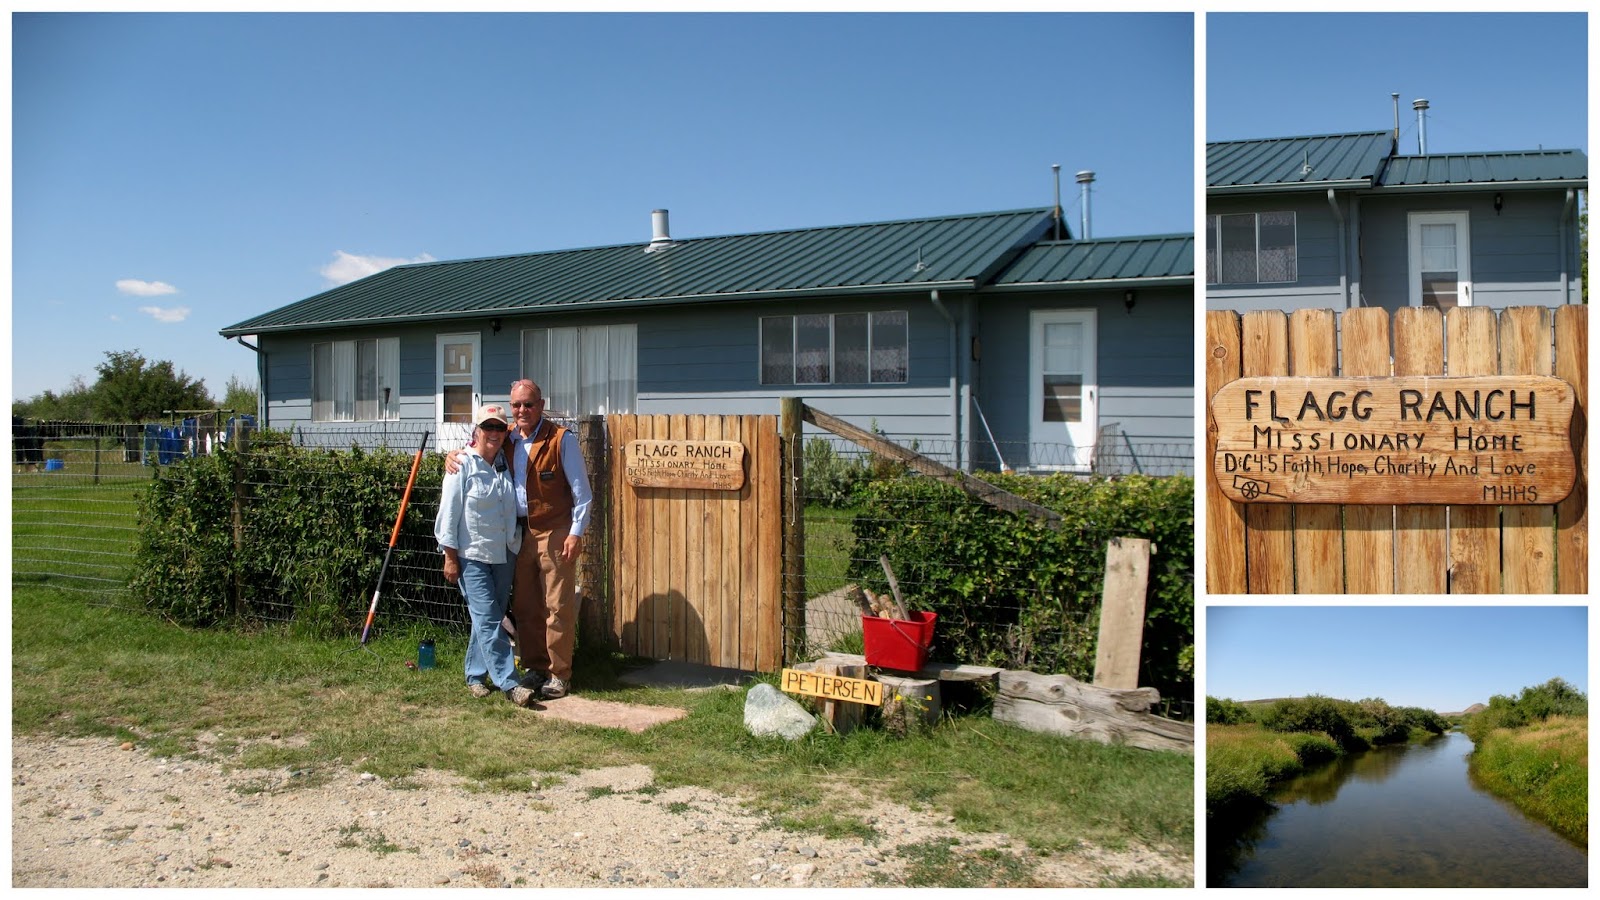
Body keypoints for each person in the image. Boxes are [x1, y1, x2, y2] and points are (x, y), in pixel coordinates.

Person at [447, 379, 593, 699]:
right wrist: (453, 454)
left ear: (541, 405)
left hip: (555, 531)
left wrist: (575, 532)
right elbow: (477, 449)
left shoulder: (560, 440)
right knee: (526, 607)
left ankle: (559, 674)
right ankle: (536, 667)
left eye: (528, 404)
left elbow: (582, 493)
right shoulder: (508, 436)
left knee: (557, 606)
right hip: (519, 534)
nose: (522, 410)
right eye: (516, 405)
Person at [434, 404, 539, 708]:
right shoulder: (461, 465)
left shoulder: (506, 462)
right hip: (471, 556)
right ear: (476, 431)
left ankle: (475, 674)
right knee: (491, 620)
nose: (493, 433)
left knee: (486, 619)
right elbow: (448, 516)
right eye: (487, 427)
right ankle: (510, 682)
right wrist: (450, 557)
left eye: (498, 428)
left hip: (504, 554)